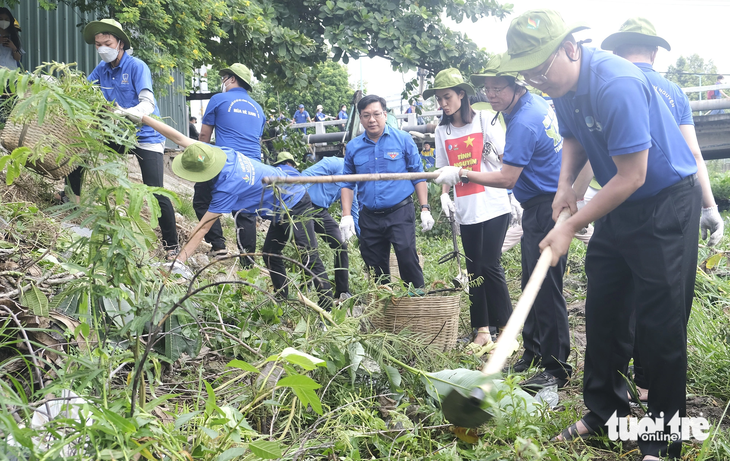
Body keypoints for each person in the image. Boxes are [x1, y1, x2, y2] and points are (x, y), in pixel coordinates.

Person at [501, 11, 701, 459]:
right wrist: (565, 190)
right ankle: (603, 415)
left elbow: (632, 175)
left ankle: (665, 438)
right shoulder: (560, 85)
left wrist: (571, 225)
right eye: (527, 73)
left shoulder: (616, 83)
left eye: (541, 68)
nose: (536, 80)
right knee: (604, 308)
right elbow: (572, 139)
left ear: (571, 48)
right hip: (620, 204)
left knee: (661, 321)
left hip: (663, 203)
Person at [601, 16, 725, 402]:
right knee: (668, 301)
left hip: (621, 200)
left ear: (618, 50)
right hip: (673, 204)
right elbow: (692, 152)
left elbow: (599, 150)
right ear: (654, 51)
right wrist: (710, 206)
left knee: (620, 296)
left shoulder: (610, 86)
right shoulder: (673, 90)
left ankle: (616, 392)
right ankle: (649, 382)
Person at [437, 53, 572, 390]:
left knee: (546, 286)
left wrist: (465, 172)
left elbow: (509, 178)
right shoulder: (529, 107)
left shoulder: (525, 121)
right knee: (531, 282)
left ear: (516, 86)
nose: (492, 95)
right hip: (540, 204)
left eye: (499, 88)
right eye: (488, 88)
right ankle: (534, 352)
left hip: (546, 206)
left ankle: (556, 367)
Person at [116, 108, 334, 308]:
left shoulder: (226, 187)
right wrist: (141, 117)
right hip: (279, 204)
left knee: (308, 254)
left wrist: (178, 261)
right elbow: (178, 137)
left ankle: (327, 307)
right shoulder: (214, 153)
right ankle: (283, 301)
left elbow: (202, 228)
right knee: (270, 253)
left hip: (295, 201)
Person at [424, 68, 512, 355]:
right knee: (474, 269)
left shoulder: (486, 120)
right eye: (438, 99)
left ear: (462, 94)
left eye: (447, 96)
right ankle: (482, 330)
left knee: (490, 264)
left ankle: (507, 330)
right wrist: (444, 196)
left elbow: (504, 160)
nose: (443, 104)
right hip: (466, 207)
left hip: (494, 202)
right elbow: (442, 171)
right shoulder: (442, 131)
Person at [75, 19, 179, 257]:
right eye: (98, 44)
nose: (102, 48)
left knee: (155, 191)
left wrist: (125, 112)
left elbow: (147, 104)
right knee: (79, 148)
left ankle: (172, 247)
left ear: (120, 43)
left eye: (107, 43)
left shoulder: (137, 66)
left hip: (146, 134)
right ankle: (73, 204)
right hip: (118, 134)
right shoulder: (101, 69)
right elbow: (83, 91)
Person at [340, 94, 434, 289]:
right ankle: (385, 308)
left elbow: (418, 175)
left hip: (399, 211)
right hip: (369, 216)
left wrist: (425, 208)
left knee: (407, 257)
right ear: (360, 117)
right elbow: (347, 183)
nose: (371, 119)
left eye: (376, 114)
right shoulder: (353, 147)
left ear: (385, 114)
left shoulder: (403, 139)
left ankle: (416, 302)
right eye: (366, 115)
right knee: (374, 266)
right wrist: (346, 215)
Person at [198, 64, 265, 266]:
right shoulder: (258, 108)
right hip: (253, 166)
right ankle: (248, 262)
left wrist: (201, 162)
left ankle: (218, 246)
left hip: (226, 162)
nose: (223, 82)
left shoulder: (218, 100)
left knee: (202, 200)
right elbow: (256, 139)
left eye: (224, 78)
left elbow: (204, 135)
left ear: (232, 79)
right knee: (245, 212)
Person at [276, 153, 356, 301]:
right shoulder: (334, 163)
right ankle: (306, 286)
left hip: (320, 211)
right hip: (304, 204)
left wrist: (357, 231)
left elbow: (353, 205)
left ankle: (342, 291)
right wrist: (296, 201)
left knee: (340, 244)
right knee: (308, 248)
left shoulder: (355, 177)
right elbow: (306, 176)